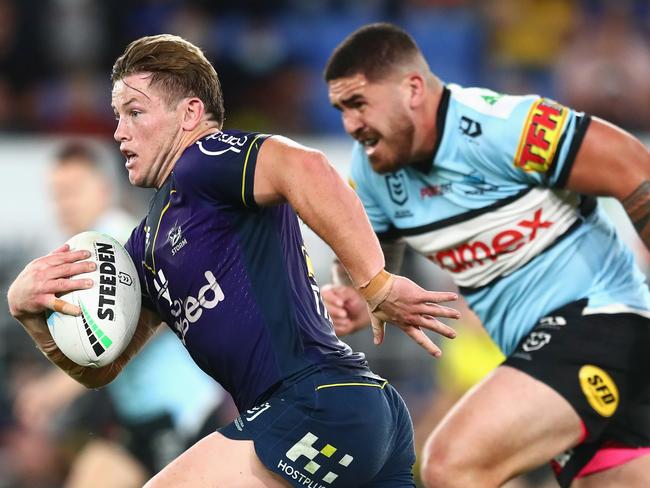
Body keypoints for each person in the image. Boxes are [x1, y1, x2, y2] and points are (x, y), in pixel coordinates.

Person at [7, 34, 461, 487]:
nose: (119, 131)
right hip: (354, 412)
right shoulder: (145, 248)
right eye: (117, 116)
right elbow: (102, 367)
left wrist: (375, 283)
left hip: (313, 407)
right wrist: (33, 320)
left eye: (135, 112)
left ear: (189, 114)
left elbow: (307, 169)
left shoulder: (203, 161)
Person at [321, 23, 650, 488]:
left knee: (453, 463)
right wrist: (358, 295)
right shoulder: (372, 173)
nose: (351, 125)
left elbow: (634, 169)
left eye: (358, 104)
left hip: (602, 317)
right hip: (541, 351)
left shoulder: (504, 128)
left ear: (412, 88)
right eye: (340, 110)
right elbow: (369, 259)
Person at [13, 141, 227, 488]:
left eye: (72, 190)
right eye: (57, 194)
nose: (63, 203)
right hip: (138, 418)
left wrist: (56, 389)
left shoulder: (117, 242)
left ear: (103, 188)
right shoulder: (85, 247)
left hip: (179, 413)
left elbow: (142, 317)